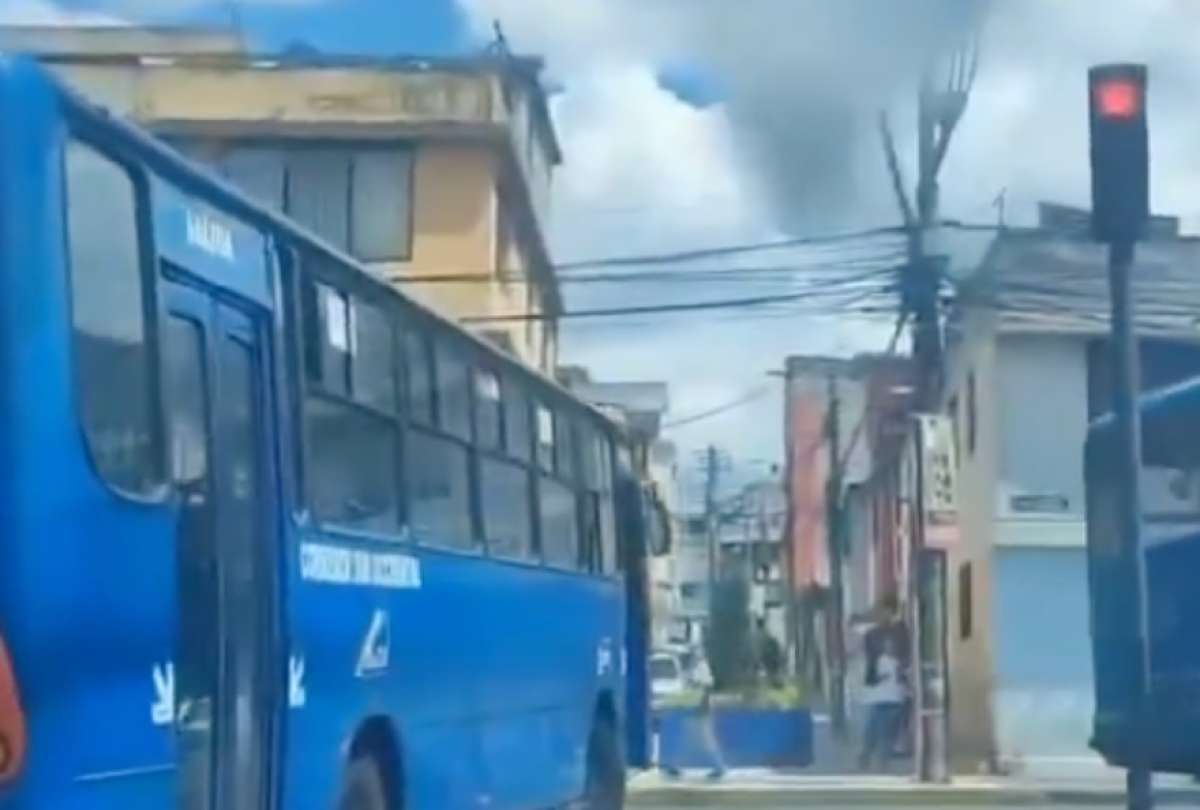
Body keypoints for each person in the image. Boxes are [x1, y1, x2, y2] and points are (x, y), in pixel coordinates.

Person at [858, 632, 906, 771]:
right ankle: (865, 758)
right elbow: (869, 680)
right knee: (872, 733)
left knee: (888, 735)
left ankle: (882, 762)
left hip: (895, 701)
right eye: (889, 645)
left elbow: (904, 681)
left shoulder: (900, 663)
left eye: (894, 646)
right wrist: (881, 678)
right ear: (884, 647)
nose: (892, 648)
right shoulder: (877, 661)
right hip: (880, 701)